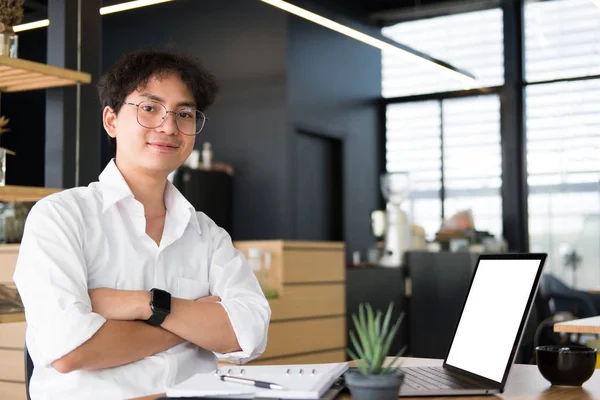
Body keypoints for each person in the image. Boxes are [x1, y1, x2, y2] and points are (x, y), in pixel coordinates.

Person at [13, 49, 271, 400]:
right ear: (111, 120)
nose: (168, 126)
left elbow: (250, 334)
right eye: (149, 108)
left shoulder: (207, 234)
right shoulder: (59, 217)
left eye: (185, 114)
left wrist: (144, 304)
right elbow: (70, 350)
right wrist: (190, 325)